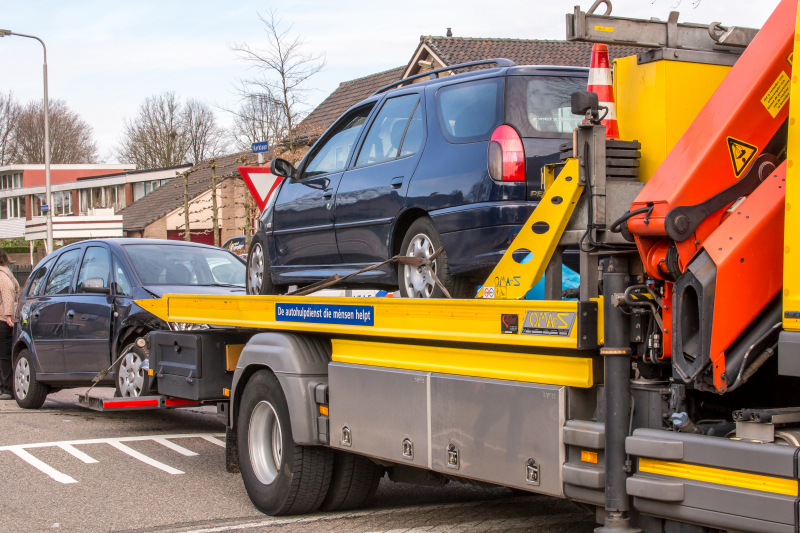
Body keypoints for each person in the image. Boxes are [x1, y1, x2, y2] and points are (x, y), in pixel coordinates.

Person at [0, 250, 19, 400]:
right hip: (5, 318)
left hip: (3, 319)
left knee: (4, 356)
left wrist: (8, 315)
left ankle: (8, 389)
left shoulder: (2, 275)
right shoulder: (7, 272)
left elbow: (7, 293)